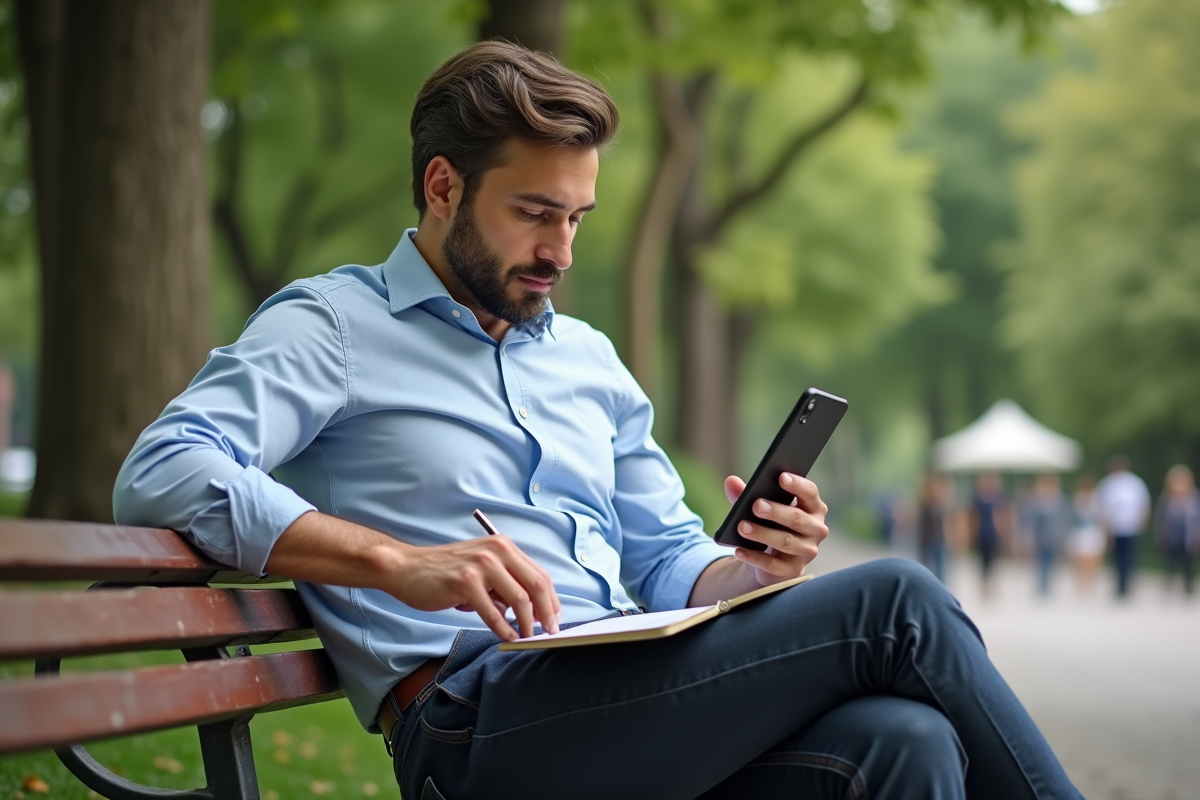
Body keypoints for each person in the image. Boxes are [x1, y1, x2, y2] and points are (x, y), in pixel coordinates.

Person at [113, 42, 1083, 800]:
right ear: (444, 185)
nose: (561, 249)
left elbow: (668, 556)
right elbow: (162, 465)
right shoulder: (333, 325)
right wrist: (397, 561)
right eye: (536, 213)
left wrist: (752, 568)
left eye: (577, 218)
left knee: (905, 742)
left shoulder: (588, 360)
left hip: (630, 699)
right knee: (899, 602)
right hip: (480, 729)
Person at [1096, 455, 1150, 599]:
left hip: (1131, 527)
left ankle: (1127, 584)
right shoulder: (1107, 484)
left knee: (1129, 558)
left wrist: (1142, 522)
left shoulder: (1135, 483)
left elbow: (1143, 504)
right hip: (1114, 529)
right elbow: (1102, 508)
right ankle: (1119, 585)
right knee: (1116, 559)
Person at [1155, 464, 1200, 596]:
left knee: (1189, 562)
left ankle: (1188, 586)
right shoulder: (1166, 498)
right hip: (1172, 534)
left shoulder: (1194, 497)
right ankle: (1169, 584)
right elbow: (1161, 519)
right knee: (1170, 561)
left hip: (1188, 535)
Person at [1025, 473, 1070, 597]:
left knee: (1052, 562)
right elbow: (1031, 520)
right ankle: (1041, 586)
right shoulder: (1036, 500)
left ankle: (1048, 585)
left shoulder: (1060, 499)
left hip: (1054, 537)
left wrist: (1063, 537)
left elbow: (1064, 520)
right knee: (1040, 562)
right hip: (1039, 537)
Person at [969, 472, 1007, 600]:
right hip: (982, 534)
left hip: (992, 534)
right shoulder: (978, 499)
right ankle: (984, 588)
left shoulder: (997, 498)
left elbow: (1001, 516)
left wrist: (1002, 531)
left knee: (993, 561)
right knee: (982, 562)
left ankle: (991, 587)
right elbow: (974, 517)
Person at [1069, 475, 1105, 593]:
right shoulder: (1077, 499)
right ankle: (1082, 582)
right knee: (1080, 560)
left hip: (1092, 532)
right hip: (1081, 532)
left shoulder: (1096, 500)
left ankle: (1090, 582)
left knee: (1092, 559)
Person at [916, 473, 950, 583]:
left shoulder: (942, 505)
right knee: (926, 569)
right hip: (926, 541)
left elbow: (946, 524)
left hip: (939, 541)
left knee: (940, 570)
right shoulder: (925, 503)